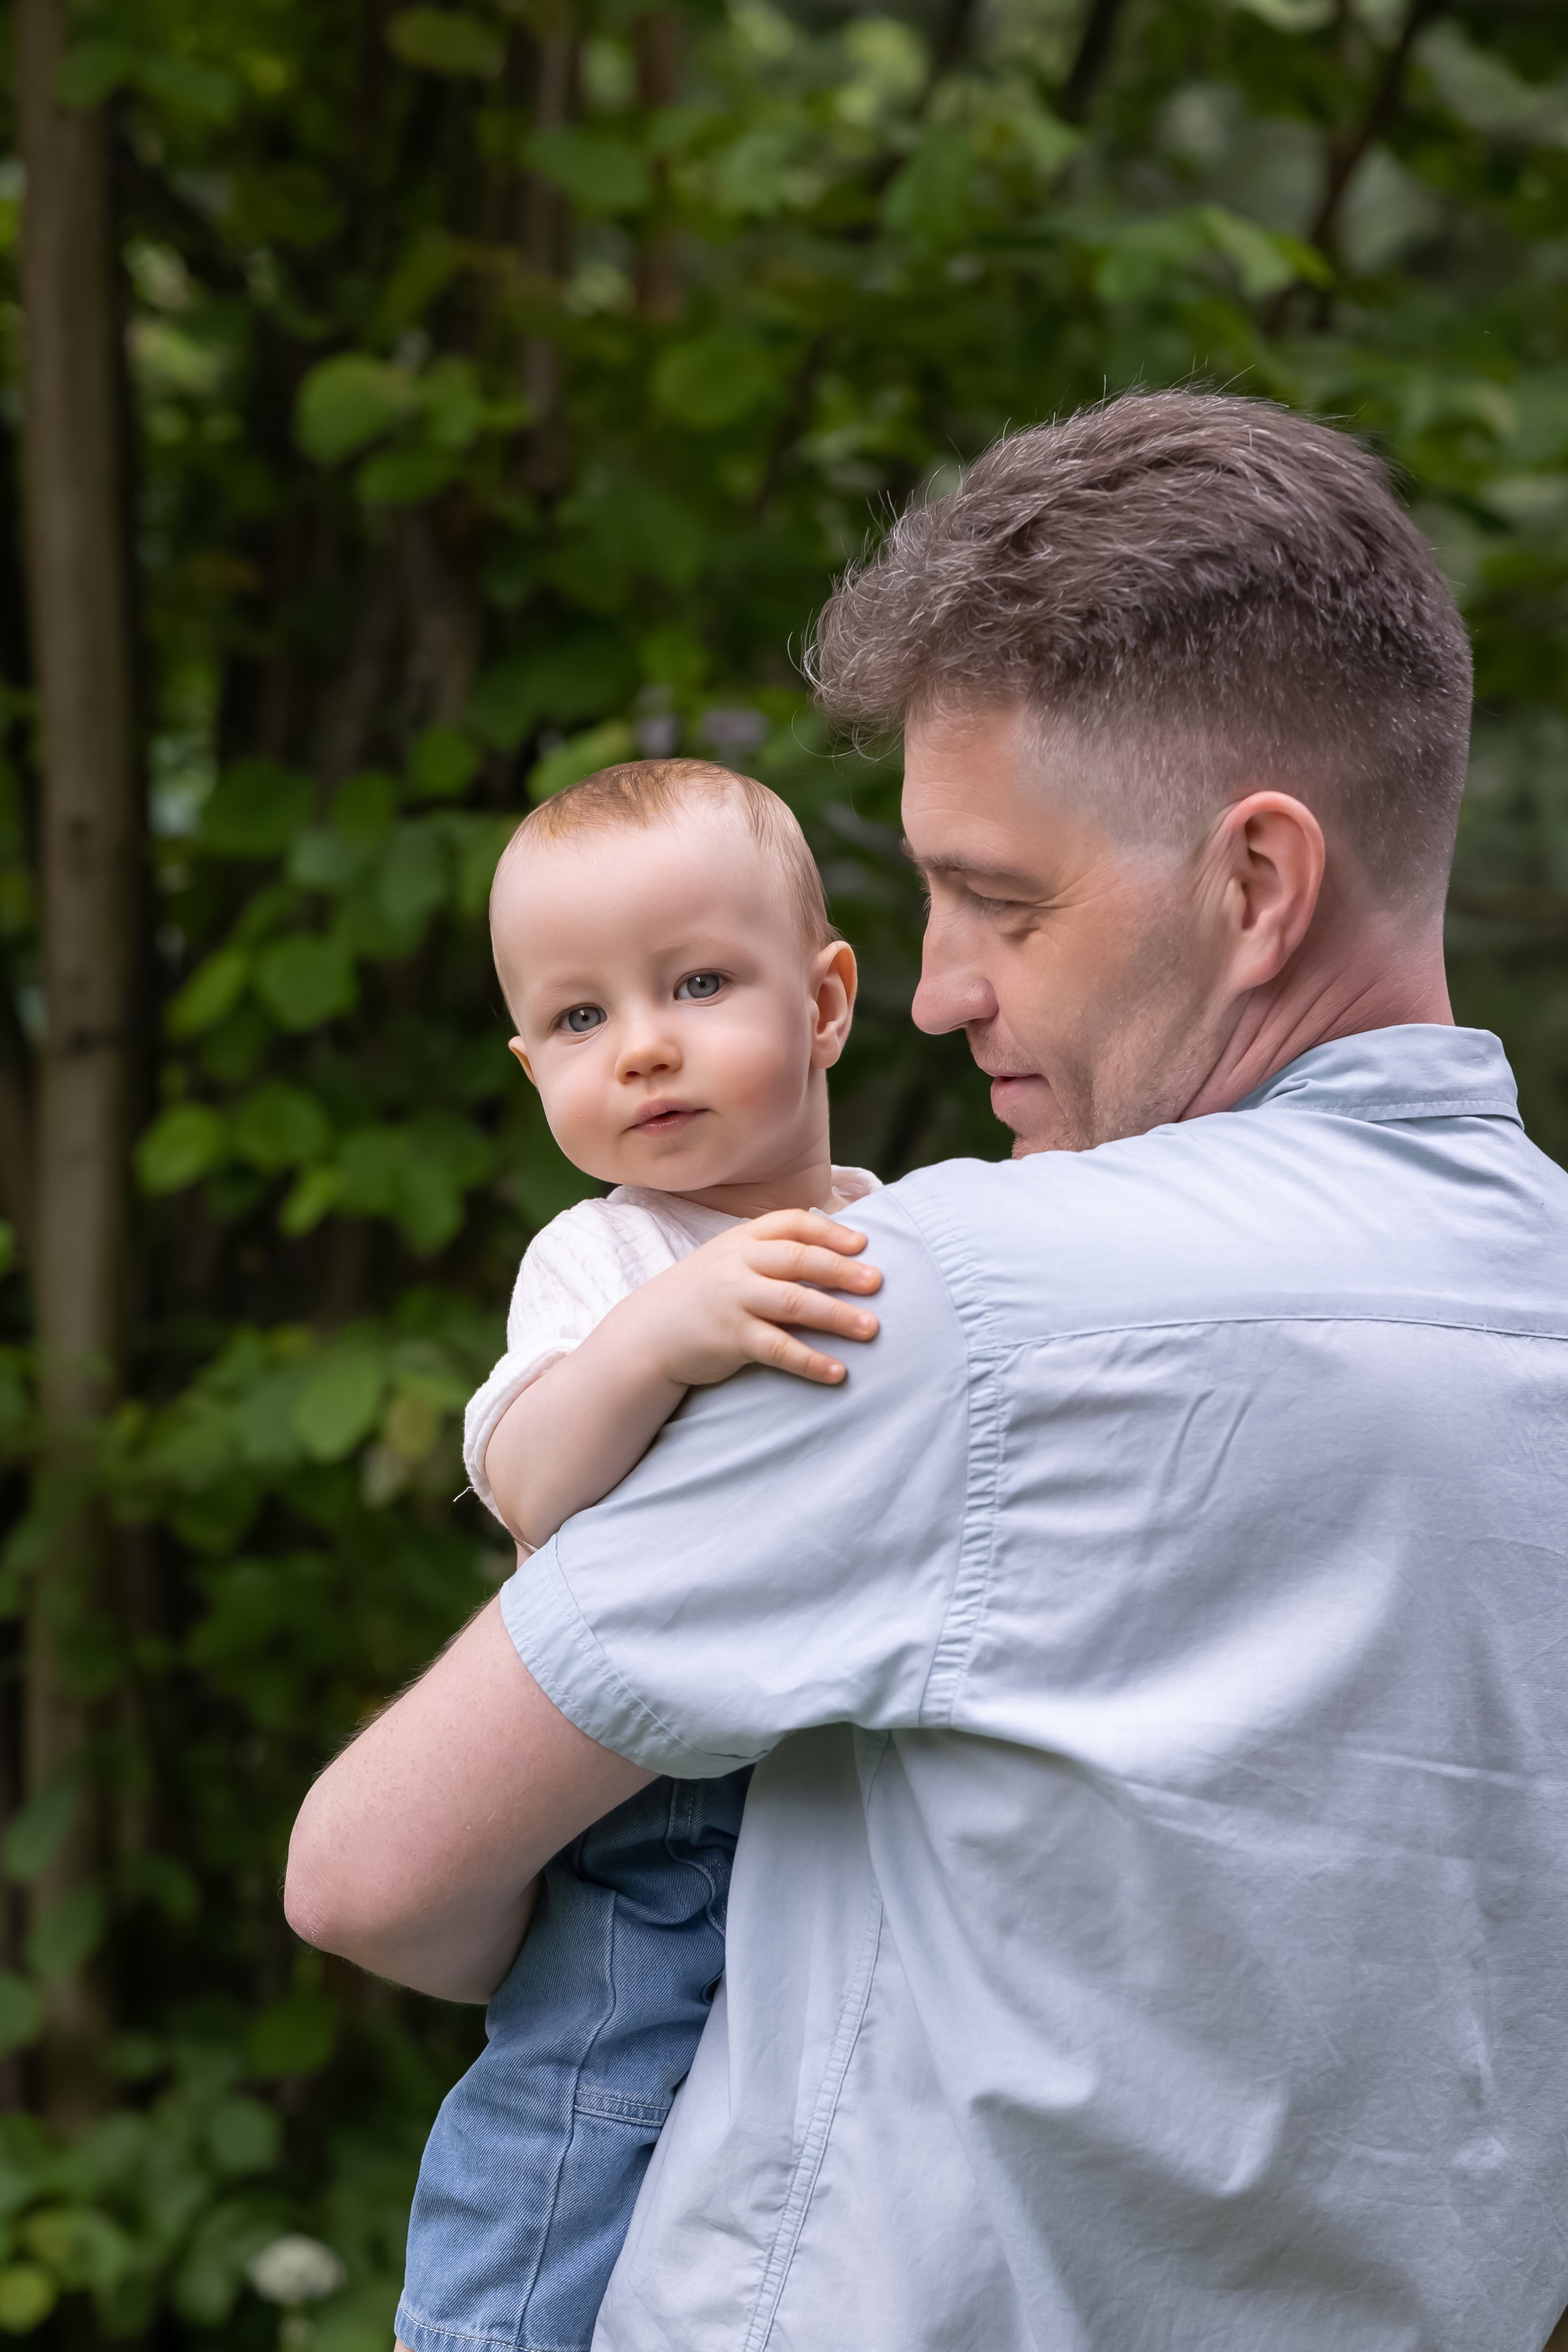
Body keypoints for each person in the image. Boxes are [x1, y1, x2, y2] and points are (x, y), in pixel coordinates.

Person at [286, 391, 1568, 2351]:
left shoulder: (944, 1305)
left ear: (1256, 885)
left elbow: (369, 1874)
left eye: (1005, 903)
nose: (944, 986)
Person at [396, 758, 881, 2352]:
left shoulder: (907, 1231)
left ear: (825, 1002)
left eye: (697, 985)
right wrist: (657, 1339)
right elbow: (531, 1485)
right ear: (530, 1063)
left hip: (851, 1761)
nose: (645, 1045)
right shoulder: (607, 1254)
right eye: (581, 1018)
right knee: (592, 2083)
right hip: (657, 1790)